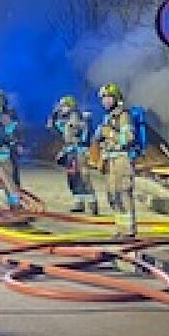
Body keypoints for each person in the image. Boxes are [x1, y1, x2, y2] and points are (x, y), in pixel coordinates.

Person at [92, 83, 137, 238]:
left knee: (123, 194)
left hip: (122, 160)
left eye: (108, 97)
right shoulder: (108, 117)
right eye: (103, 98)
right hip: (110, 160)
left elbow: (129, 138)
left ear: (116, 98)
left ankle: (129, 231)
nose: (105, 101)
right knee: (113, 196)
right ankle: (120, 229)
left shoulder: (123, 115)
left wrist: (109, 133)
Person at [48, 96, 97, 215]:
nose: (62, 108)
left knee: (83, 177)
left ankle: (92, 205)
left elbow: (83, 133)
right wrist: (54, 116)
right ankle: (79, 202)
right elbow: (54, 128)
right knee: (73, 178)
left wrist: (85, 126)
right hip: (70, 151)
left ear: (70, 106)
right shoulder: (66, 120)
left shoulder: (78, 118)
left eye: (64, 106)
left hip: (79, 151)